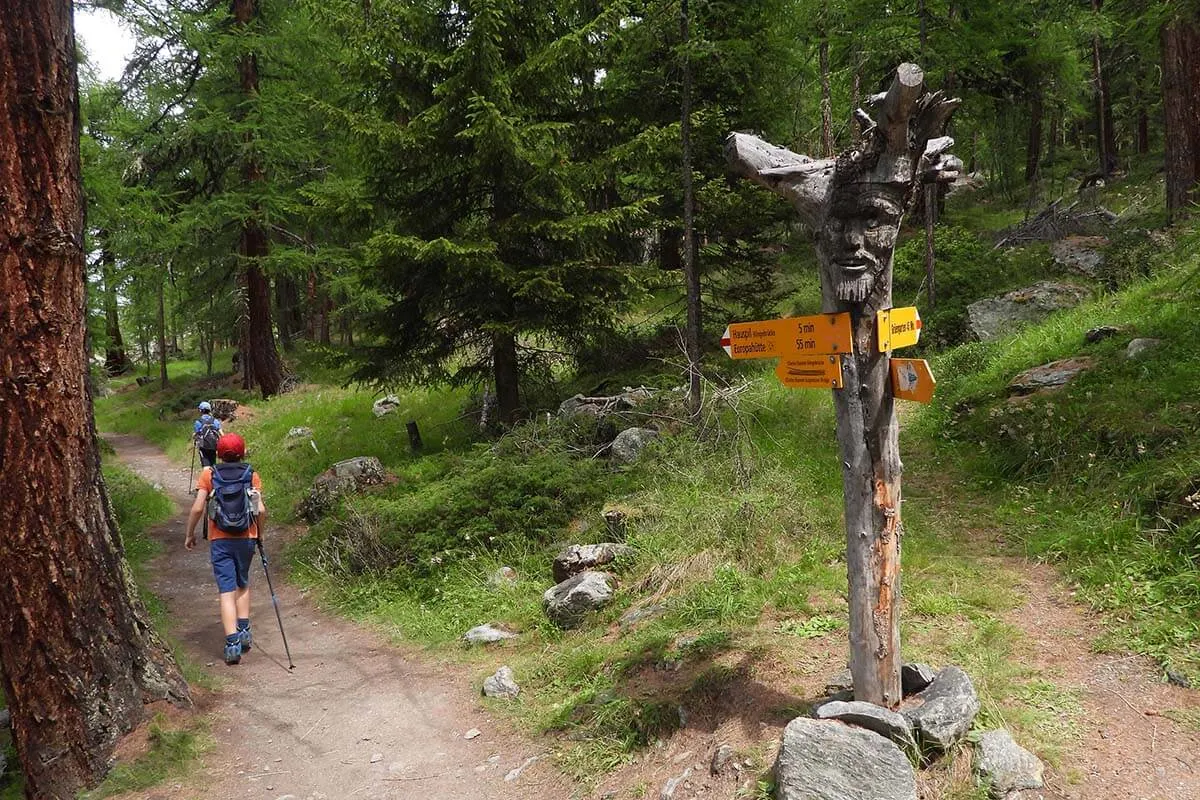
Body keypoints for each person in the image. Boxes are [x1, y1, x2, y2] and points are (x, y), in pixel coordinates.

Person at [184, 433, 267, 665]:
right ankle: (244, 632)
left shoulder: (209, 474)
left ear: (218, 453)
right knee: (242, 583)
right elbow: (260, 510)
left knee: (226, 590)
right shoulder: (251, 475)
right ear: (243, 452)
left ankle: (232, 644)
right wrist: (260, 534)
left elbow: (198, 507)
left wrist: (190, 533)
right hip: (246, 537)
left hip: (219, 539)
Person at [193, 401, 222, 467]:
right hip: (214, 446)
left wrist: (194, 437)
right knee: (213, 463)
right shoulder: (215, 421)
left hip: (203, 447)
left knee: (205, 465)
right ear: (209, 410)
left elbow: (196, 434)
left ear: (200, 410)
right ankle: (213, 475)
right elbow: (221, 433)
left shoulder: (198, 422)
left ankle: (206, 475)